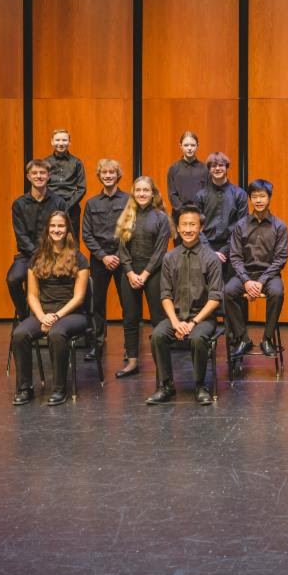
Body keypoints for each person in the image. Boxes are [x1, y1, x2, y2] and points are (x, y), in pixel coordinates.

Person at [146, 204, 225, 406]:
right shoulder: (169, 257)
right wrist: (175, 322)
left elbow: (215, 297)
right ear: (178, 228)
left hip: (203, 318)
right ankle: (166, 385)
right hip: (176, 317)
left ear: (200, 228)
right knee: (157, 335)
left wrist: (192, 323)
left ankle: (200, 385)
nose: (188, 229)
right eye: (184, 225)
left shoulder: (211, 258)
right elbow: (165, 295)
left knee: (198, 339)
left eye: (193, 224)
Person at [10, 211, 90, 406]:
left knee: (56, 333)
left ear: (68, 230)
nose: (56, 230)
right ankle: (25, 387)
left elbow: (79, 298)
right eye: (53, 226)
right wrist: (42, 316)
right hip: (43, 312)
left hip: (71, 313)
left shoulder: (79, 258)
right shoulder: (37, 257)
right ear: (47, 230)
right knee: (19, 333)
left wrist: (55, 317)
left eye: (61, 226)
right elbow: (32, 295)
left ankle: (59, 388)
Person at [113, 176, 172, 378]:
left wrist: (144, 274)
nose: (141, 194)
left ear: (153, 193)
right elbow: (121, 249)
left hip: (153, 272)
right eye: (138, 190)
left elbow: (160, 251)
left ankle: (161, 364)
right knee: (130, 318)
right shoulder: (127, 215)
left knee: (158, 319)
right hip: (129, 273)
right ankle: (132, 362)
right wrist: (130, 272)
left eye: (146, 190)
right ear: (133, 193)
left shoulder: (161, 217)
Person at [224, 179, 288, 360]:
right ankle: (243, 338)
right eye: (254, 197)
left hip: (269, 275)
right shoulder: (241, 225)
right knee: (227, 292)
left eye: (262, 196)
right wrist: (247, 281)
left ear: (269, 198)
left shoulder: (279, 226)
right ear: (250, 200)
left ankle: (267, 338)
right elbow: (235, 257)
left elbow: (280, 258)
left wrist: (260, 283)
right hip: (245, 274)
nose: (258, 200)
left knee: (277, 292)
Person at [80, 159, 128, 360]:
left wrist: (116, 256)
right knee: (97, 302)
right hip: (99, 260)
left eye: (112, 172)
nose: (108, 176)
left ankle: (129, 347)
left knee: (128, 303)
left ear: (118, 175)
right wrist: (103, 256)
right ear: (99, 176)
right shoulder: (92, 203)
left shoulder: (128, 200)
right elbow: (86, 234)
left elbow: (131, 230)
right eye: (104, 173)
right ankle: (97, 344)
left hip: (123, 259)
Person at [6, 159, 68, 318]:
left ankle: (54, 315)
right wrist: (38, 255)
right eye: (35, 173)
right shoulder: (19, 204)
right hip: (27, 254)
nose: (38, 176)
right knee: (13, 279)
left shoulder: (59, 202)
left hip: (55, 253)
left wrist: (50, 254)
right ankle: (23, 315)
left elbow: (65, 229)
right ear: (28, 176)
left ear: (48, 176)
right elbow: (21, 235)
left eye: (42, 173)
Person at [196, 151, 248, 273]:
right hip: (205, 248)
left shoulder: (240, 194)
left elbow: (242, 227)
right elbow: (196, 226)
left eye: (221, 165)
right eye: (213, 166)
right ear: (209, 169)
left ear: (226, 167)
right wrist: (210, 252)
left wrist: (224, 251)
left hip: (232, 249)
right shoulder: (200, 195)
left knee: (228, 290)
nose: (217, 168)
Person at [45, 128, 86, 235]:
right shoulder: (45, 163)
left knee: (72, 238)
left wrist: (67, 206)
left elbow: (82, 188)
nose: (61, 143)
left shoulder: (77, 162)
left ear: (69, 142)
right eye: (57, 140)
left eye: (64, 140)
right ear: (52, 142)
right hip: (50, 206)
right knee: (50, 237)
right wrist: (52, 204)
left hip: (72, 208)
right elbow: (43, 185)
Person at [166, 130, 207, 226]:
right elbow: (172, 195)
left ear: (198, 145)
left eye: (192, 145)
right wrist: (183, 211)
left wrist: (197, 212)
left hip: (200, 215)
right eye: (186, 145)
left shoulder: (205, 169)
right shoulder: (173, 169)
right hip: (179, 215)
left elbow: (208, 193)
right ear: (180, 146)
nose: (189, 148)